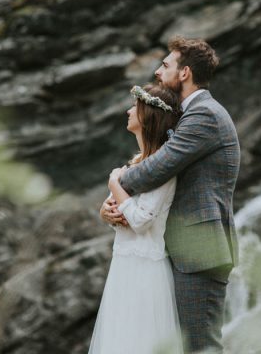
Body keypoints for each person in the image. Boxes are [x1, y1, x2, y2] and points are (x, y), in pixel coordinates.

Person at [100, 36, 240, 353]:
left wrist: (116, 181)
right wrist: (110, 205)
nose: (159, 73)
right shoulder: (188, 114)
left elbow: (156, 169)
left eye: (165, 65)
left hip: (200, 252)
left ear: (185, 72)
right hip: (181, 250)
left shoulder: (204, 115)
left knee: (200, 346)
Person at [88, 84, 183, 354]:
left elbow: (141, 221)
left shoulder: (164, 167)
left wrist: (114, 181)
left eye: (135, 107)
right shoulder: (135, 163)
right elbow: (118, 211)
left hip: (145, 270)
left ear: (148, 116)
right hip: (123, 264)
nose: (129, 110)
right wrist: (105, 213)